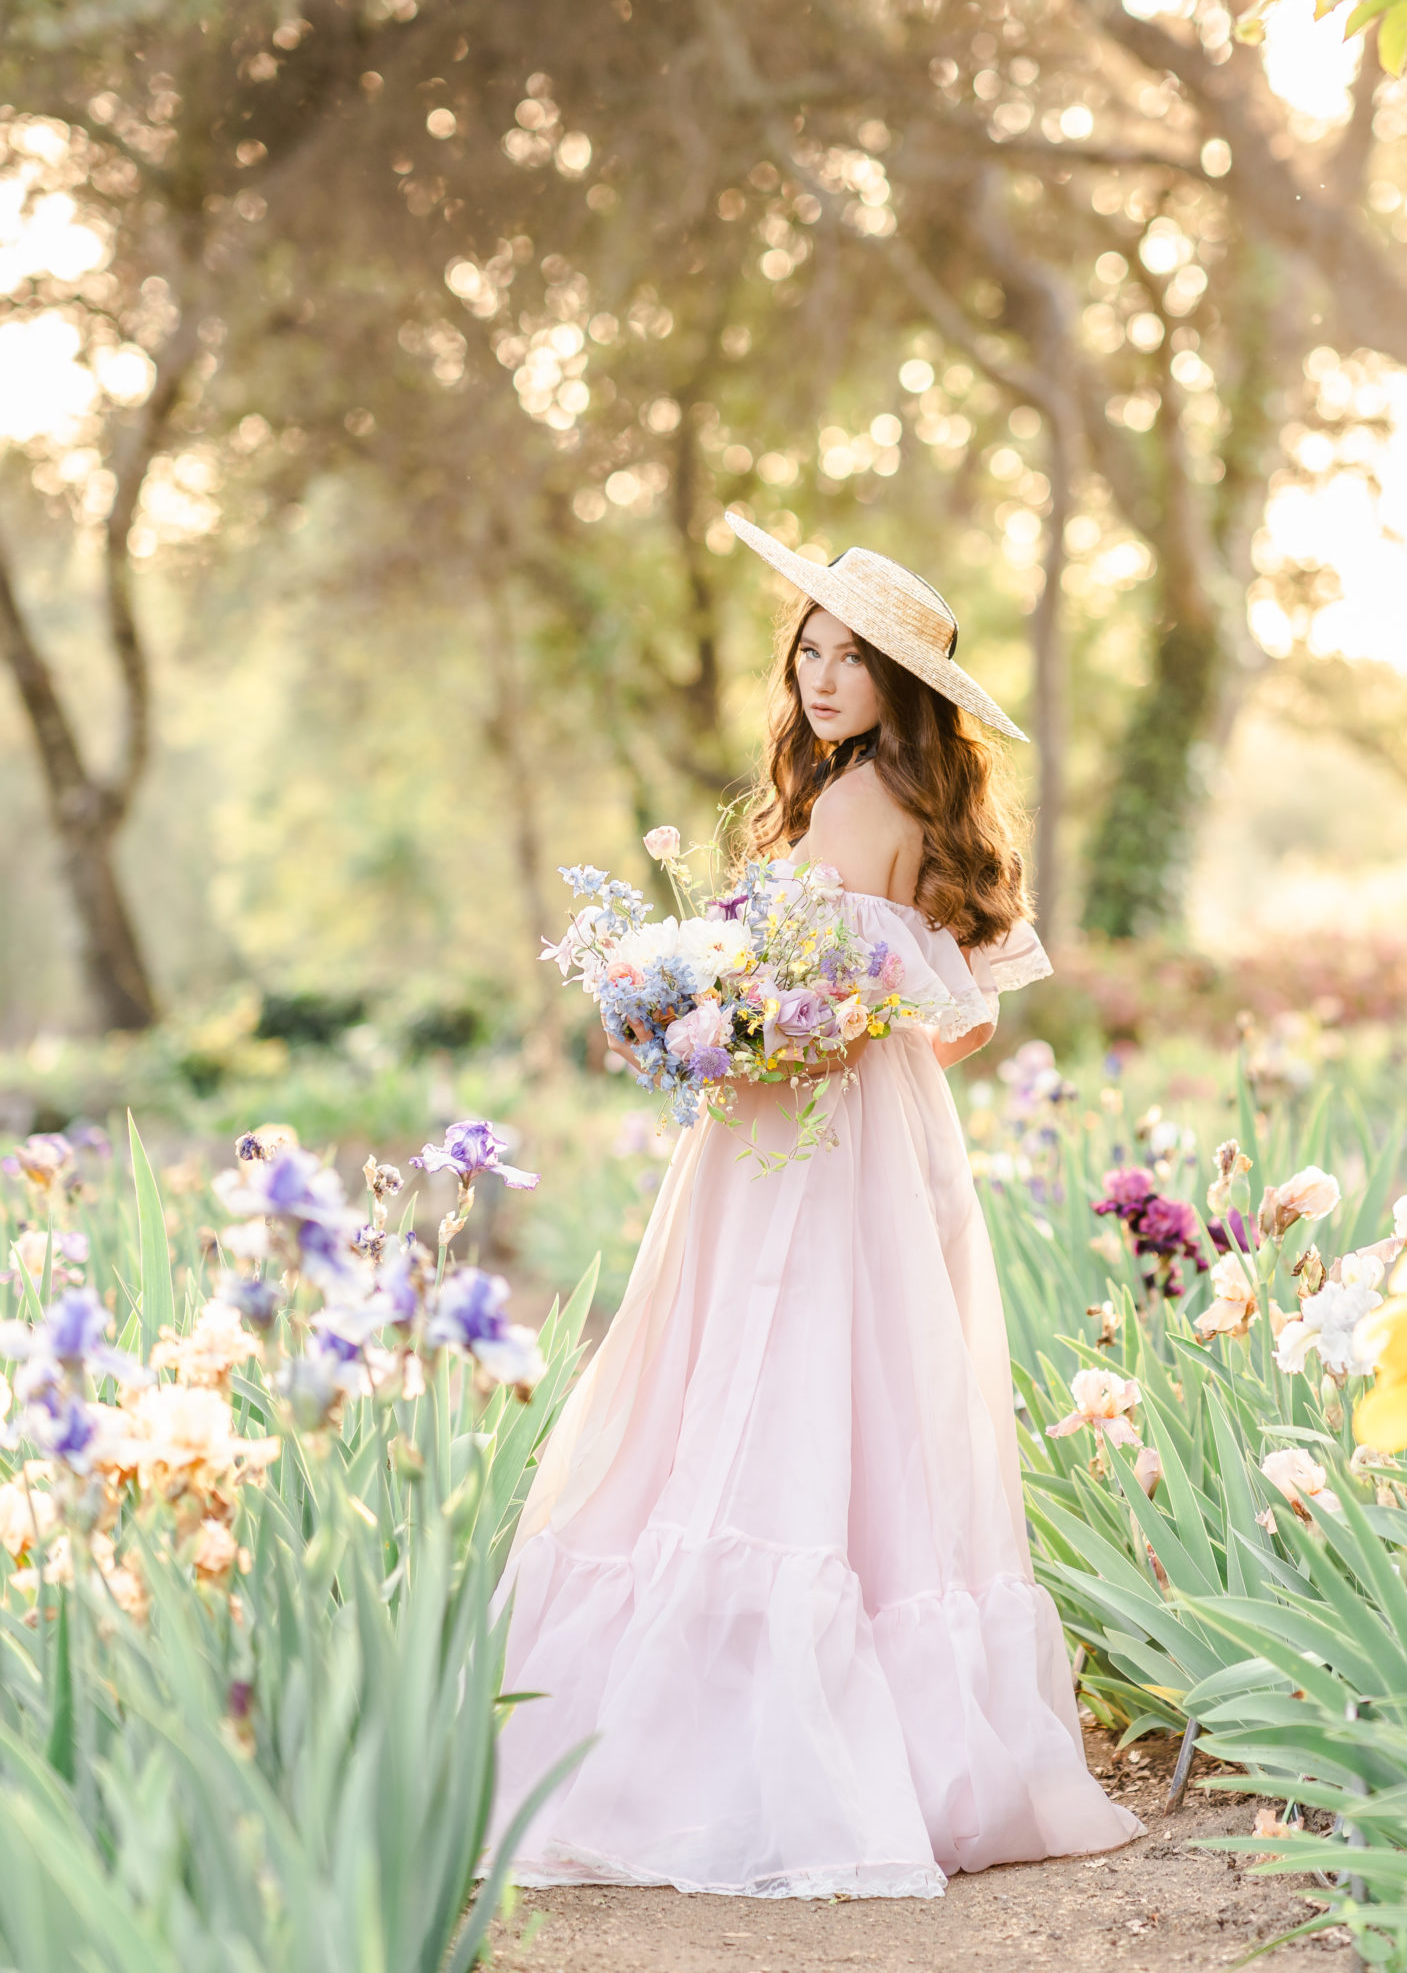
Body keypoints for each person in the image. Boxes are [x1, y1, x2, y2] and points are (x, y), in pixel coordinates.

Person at [488, 518, 1138, 1897]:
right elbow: (940, 1022)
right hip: (886, 1146)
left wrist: (723, 1027)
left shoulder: (849, 806)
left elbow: (838, 1014)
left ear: (907, 687)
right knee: (874, 1407)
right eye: (815, 647)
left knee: (765, 1386)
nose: (824, 675)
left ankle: (740, 1746)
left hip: (802, 1148)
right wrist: (723, 1009)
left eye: (857, 658)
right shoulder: (908, 809)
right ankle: (914, 1742)